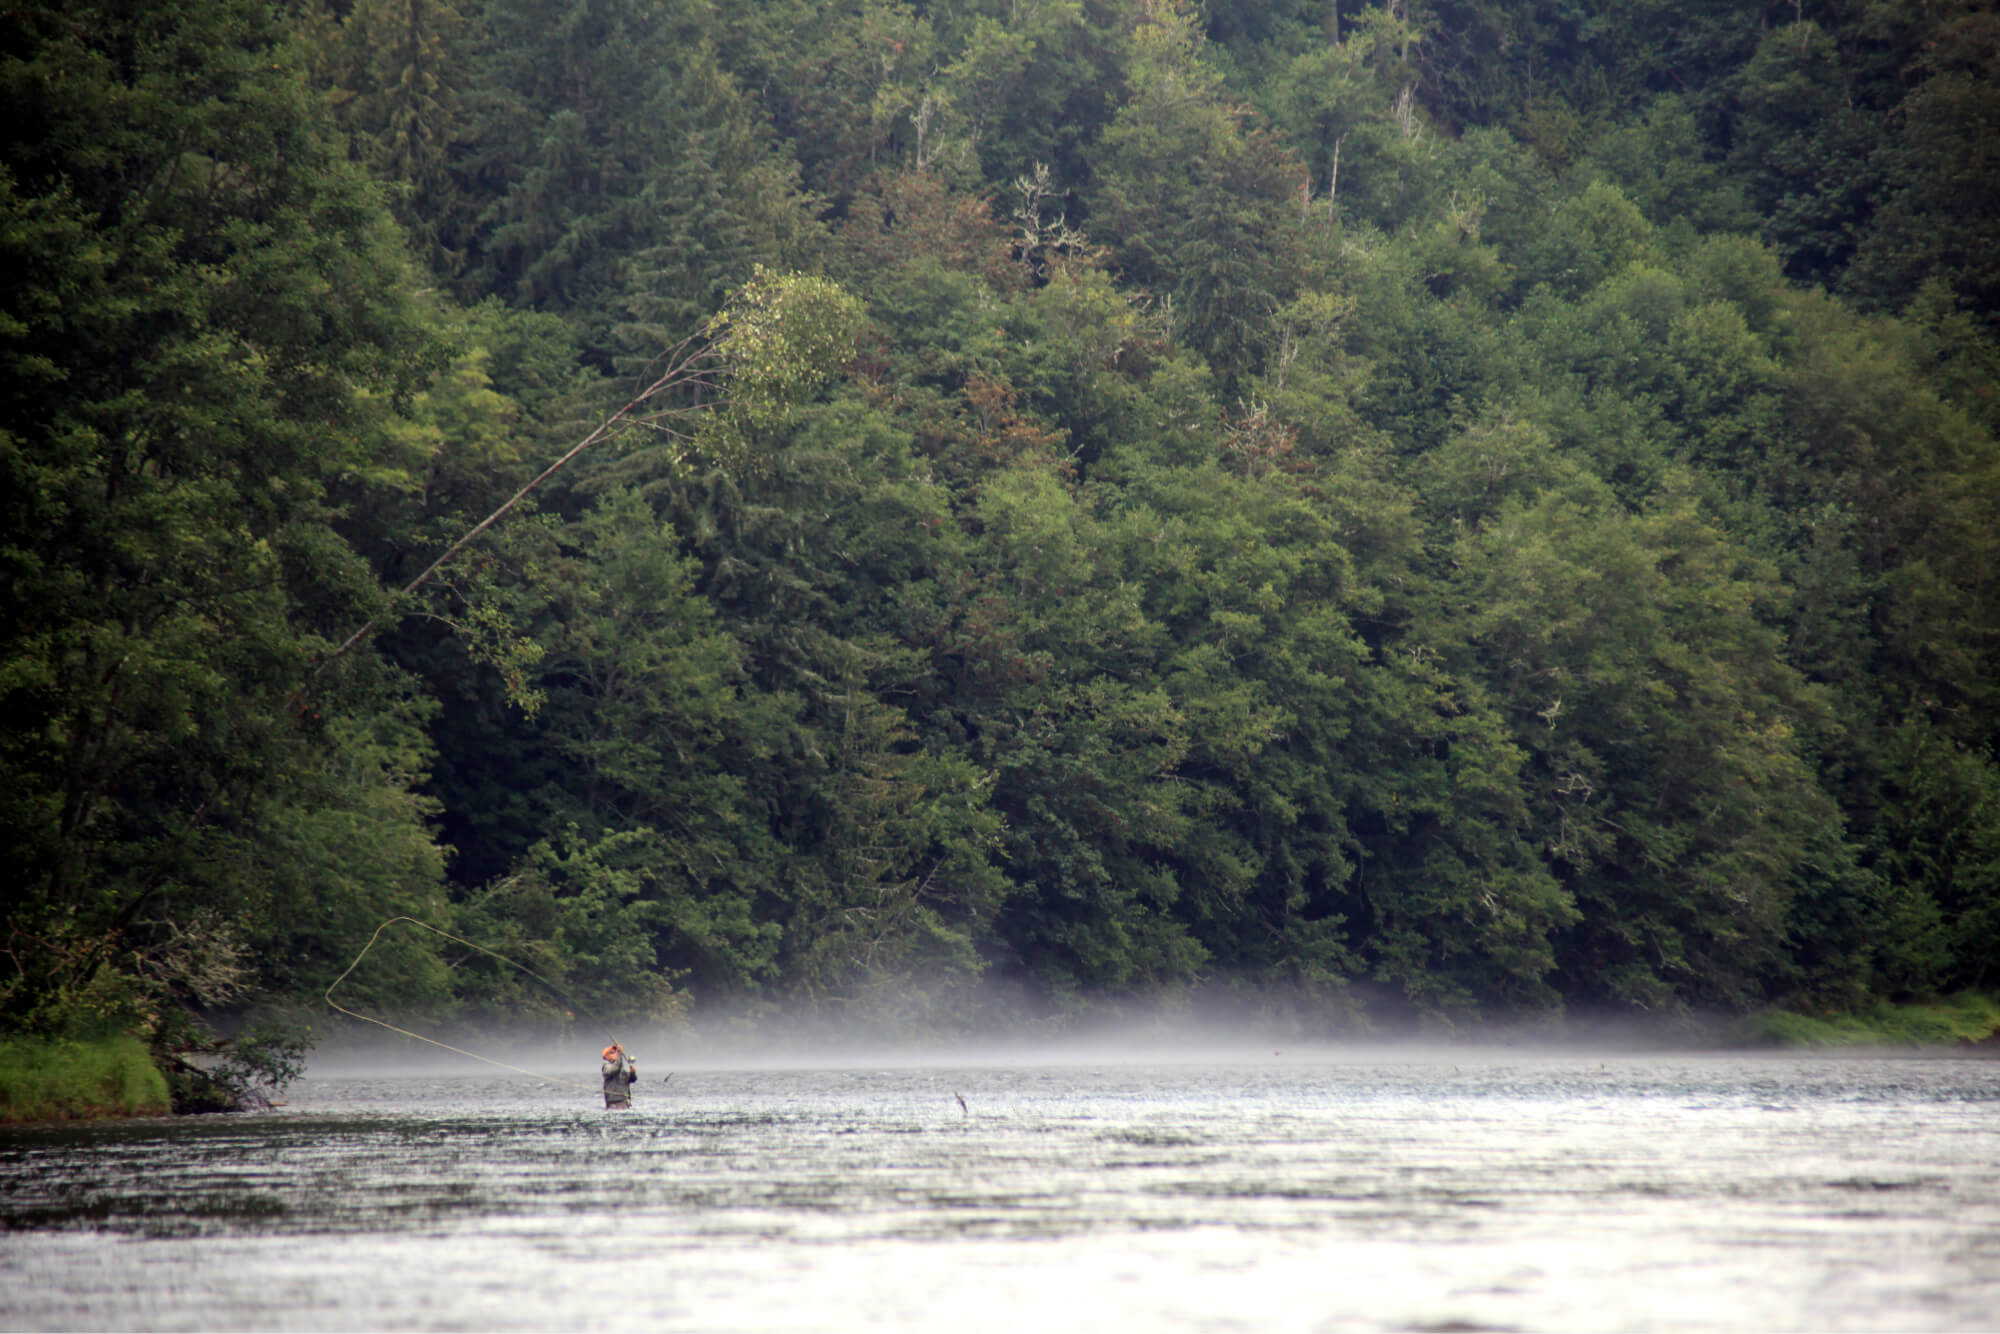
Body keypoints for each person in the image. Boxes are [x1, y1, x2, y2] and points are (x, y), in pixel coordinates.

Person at [601, 1043, 638, 1109]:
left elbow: (632, 1080)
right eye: (612, 1052)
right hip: (613, 1104)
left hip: (625, 1103)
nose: (615, 1054)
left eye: (616, 1052)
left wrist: (633, 1073)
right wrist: (620, 1054)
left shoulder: (621, 1069)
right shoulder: (606, 1067)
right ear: (607, 1056)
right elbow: (617, 1067)